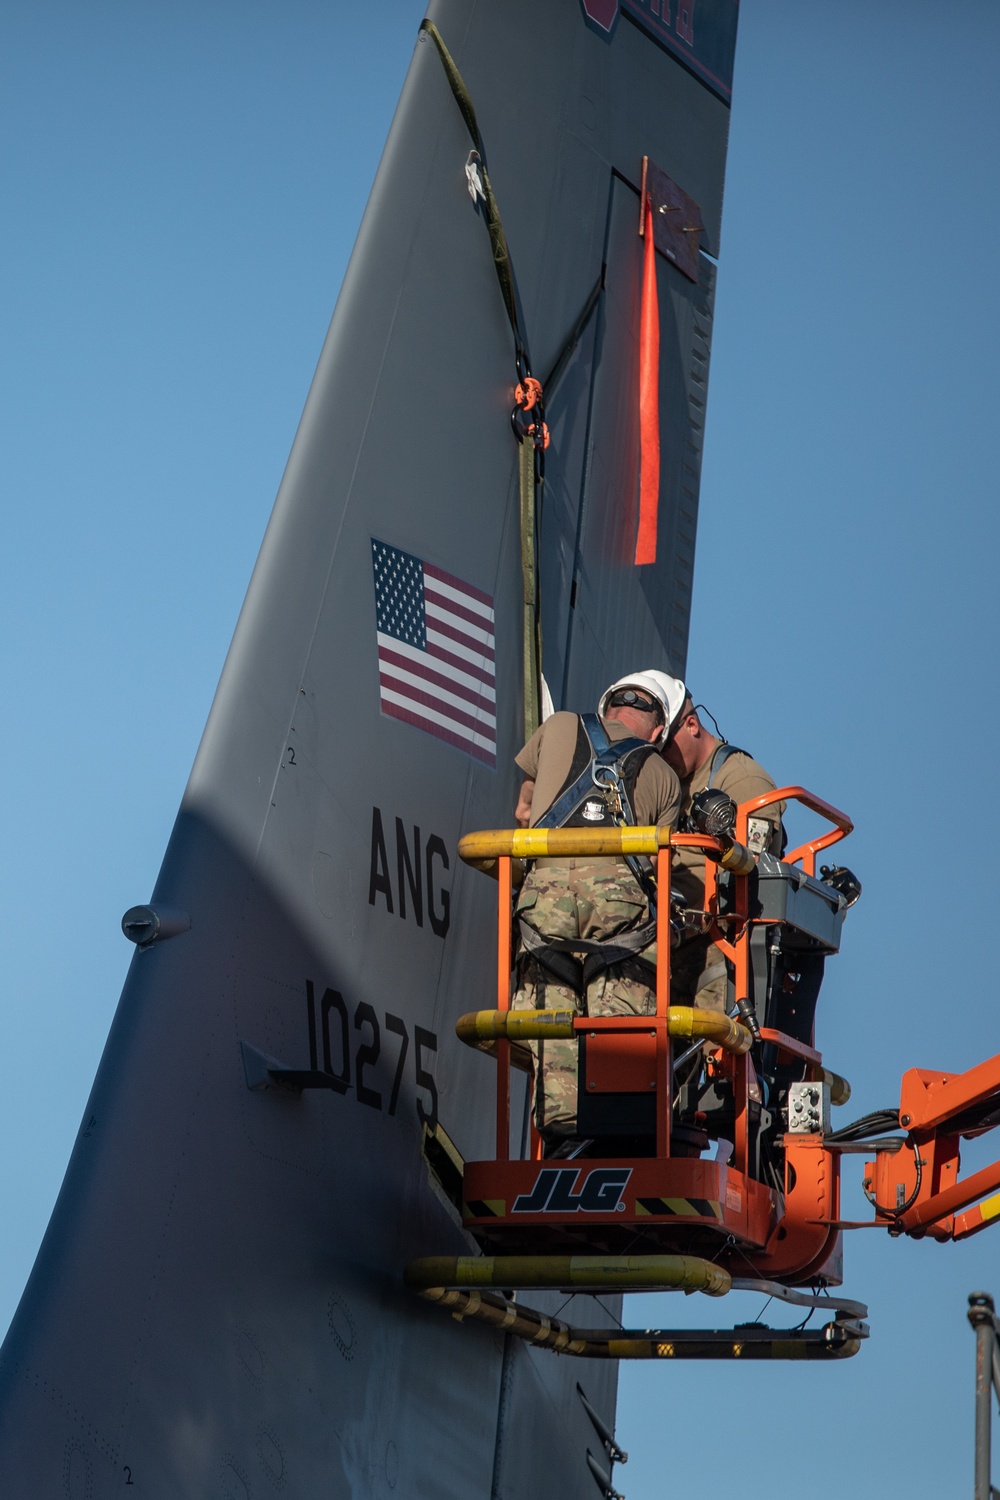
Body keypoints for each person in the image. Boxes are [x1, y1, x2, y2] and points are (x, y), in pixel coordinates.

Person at [511, 671, 681, 1150]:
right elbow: (662, 868)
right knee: (617, 1015)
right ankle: (609, 1135)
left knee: (549, 1015)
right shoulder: (665, 776)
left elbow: (523, 813)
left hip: (545, 895)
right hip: (617, 903)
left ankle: (562, 1139)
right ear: (657, 731)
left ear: (606, 708)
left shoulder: (558, 725)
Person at [657, 676, 783, 1014]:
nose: (660, 758)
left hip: (720, 938)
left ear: (692, 725)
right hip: (672, 933)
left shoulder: (742, 779)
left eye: (665, 746)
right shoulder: (667, 783)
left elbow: (753, 866)